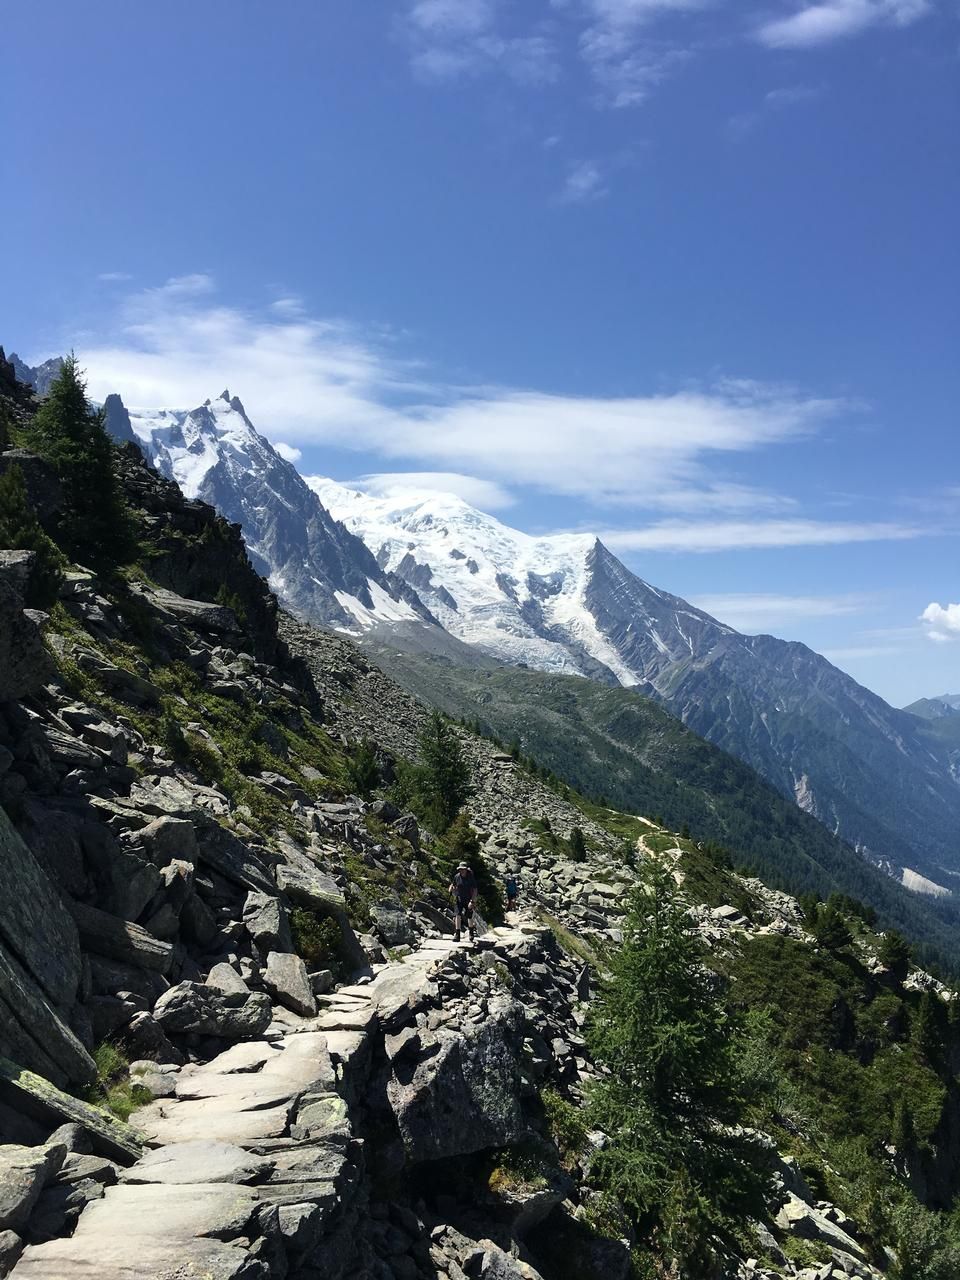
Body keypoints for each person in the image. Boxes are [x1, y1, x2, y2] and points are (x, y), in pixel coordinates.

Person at [449, 861, 478, 942]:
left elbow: (475, 890)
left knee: (469, 916)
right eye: (460, 869)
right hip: (459, 899)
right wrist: (451, 889)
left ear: (466, 869)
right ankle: (457, 934)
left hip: (469, 899)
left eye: (463, 869)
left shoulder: (470, 877)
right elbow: (453, 884)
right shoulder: (457, 876)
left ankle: (471, 932)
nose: (461, 871)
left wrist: (472, 901)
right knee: (457, 915)